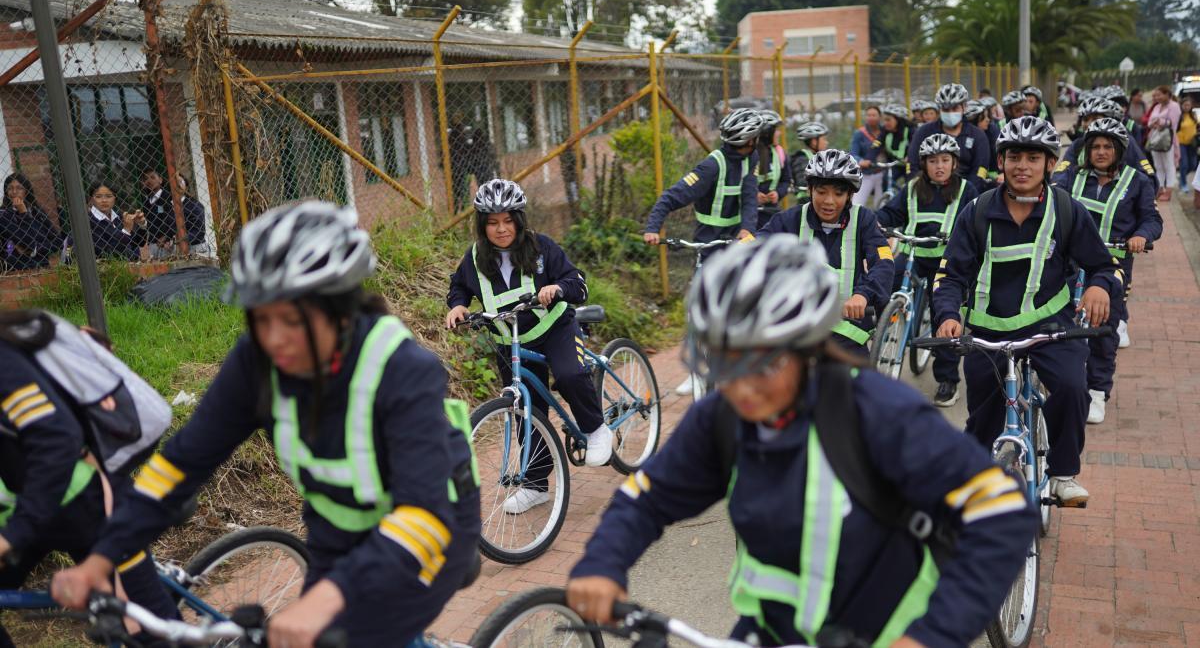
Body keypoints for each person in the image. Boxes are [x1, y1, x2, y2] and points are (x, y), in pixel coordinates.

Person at [565, 237, 1038, 648]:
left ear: (806, 348)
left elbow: (1002, 514)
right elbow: (647, 498)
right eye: (724, 361)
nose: (741, 385)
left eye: (763, 363)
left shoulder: (878, 412)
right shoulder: (721, 419)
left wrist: (932, 636)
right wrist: (602, 563)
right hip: (773, 633)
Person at [52, 201, 482, 648]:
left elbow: (423, 515)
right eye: (260, 319)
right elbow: (180, 466)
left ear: (340, 311)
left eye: (292, 321)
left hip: (427, 532)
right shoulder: (257, 363)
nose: (273, 338)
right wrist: (101, 557)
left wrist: (324, 601)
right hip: (339, 530)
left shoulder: (403, 370)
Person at [933, 117, 1124, 507]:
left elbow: (1104, 265)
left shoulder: (1067, 211)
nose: (1023, 165)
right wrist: (947, 315)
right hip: (987, 332)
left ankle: (1062, 474)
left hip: (1051, 328)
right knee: (982, 423)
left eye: (1033, 157)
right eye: (1014, 156)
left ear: (1050, 164)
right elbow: (950, 273)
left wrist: (1099, 286)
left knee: (1072, 388)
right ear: (1001, 161)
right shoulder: (977, 211)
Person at [0, 312, 180, 648]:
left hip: (89, 499)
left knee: (152, 633)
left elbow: (57, 439)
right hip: (32, 503)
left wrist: (13, 536)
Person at [447, 178, 611, 494]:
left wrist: (558, 287)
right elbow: (459, 286)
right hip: (510, 342)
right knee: (526, 413)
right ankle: (535, 486)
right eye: (492, 222)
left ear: (519, 220)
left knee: (571, 375)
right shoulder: (475, 258)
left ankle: (596, 429)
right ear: (482, 225)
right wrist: (457, 306)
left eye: (508, 220)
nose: (501, 228)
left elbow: (578, 282)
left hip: (554, 330)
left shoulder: (542, 247)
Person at [1051, 119, 1160, 423]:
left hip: (1112, 266)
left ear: (1119, 150)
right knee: (1057, 319)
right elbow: (1051, 203)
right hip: (1069, 263)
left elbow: (1152, 219)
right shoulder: (1072, 176)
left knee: (1103, 328)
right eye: (1095, 146)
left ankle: (1097, 391)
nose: (1100, 152)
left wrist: (1142, 235)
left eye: (1107, 146)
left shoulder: (1137, 181)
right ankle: (1061, 380)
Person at [757, 149, 893, 358]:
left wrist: (863, 294)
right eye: (821, 192)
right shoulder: (791, 219)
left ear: (849, 195)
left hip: (847, 332)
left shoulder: (864, 220)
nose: (829, 201)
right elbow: (757, 246)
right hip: (799, 328)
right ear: (810, 190)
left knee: (855, 387)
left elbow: (883, 261)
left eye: (838, 193)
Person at [877, 134, 978, 406]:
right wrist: (876, 223)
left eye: (945, 160)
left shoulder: (967, 190)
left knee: (942, 317)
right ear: (924, 164)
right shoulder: (912, 188)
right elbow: (889, 213)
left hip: (947, 263)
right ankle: (880, 327)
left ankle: (947, 380)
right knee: (883, 279)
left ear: (954, 163)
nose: (939, 166)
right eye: (933, 161)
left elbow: (977, 221)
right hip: (914, 255)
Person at [644, 108, 761, 248]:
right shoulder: (711, 167)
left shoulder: (751, 159)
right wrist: (652, 229)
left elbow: (750, 197)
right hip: (708, 241)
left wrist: (747, 229)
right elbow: (671, 196)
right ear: (749, 141)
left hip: (736, 241)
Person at [908, 83, 992, 194]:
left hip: (965, 192)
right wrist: (920, 188)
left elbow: (980, 169)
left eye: (955, 108)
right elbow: (912, 163)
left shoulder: (977, 135)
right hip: (929, 191)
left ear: (964, 107)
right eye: (946, 109)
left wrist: (966, 193)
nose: (950, 113)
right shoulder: (924, 132)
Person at [1052, 97, 1155, 183]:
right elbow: (1062, 171)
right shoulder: (1078, 144)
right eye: (1085, 119)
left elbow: (1148, 175)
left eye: (1095, 118)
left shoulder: (1127, 142)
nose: (1089, 124)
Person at [0, 174, 56, 271]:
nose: (14, 192)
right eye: (10, 188)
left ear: (26, 191)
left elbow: (56, 241)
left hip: (42, 266)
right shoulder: (3, 215)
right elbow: (27, 241)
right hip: (18, 270)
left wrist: (35, 249)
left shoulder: (37, 212)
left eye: (19, 188)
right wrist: (23, 213)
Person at [86, 182, 145, 261]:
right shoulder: (89, 221)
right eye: (98, 197)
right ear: (91, 199)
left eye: (109, 196)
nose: (104, 200)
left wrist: (141, 225)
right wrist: (126, 230)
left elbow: (139, 242)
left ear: (115, 198)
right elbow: (107, 253)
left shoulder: (119, 217)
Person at [754, 110, 791, 229]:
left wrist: (778, 193)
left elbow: (786, 181)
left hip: (771, 213)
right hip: (749, 215)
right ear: (766, 132)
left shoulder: (779, 153)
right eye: (776, 130)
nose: (779, 133)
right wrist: (753, 195)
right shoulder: (749, 154)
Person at [1145, 85, 1182, 202]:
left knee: (1169, 165)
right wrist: (1156, 123)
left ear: (1167, 94)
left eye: (1159, 94)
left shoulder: (1174, 106)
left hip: (1167, 140)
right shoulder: (1156, 107)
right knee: (1158, 166)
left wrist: (1159, 121)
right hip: (1155, 139)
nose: (1157, 97)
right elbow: (1149, 122)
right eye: (1156, 95)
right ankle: (1160, 188)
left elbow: (1173, 123)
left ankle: (1169, 191)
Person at [849, 105, 885, 208]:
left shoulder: (886, 131)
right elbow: (853, 153)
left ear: (880, 117)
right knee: (856, 205)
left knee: (882, 205)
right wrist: (860, 161)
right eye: (868, 115)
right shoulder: (859, 133)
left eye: (874, 115)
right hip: (867, 173)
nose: (871, 117)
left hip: (884, 173)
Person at [789, 121, 829, 205]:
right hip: (806, 202)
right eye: (824, 139)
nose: (826, 142)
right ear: (814, 141)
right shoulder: (802, 158)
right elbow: (802, 182)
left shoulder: (820, 157)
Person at [174, 175, 209, 255]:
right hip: (174, 249)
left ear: (186, 186)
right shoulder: (168, 205)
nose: (177, 184)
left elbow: (200, 231)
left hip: (196, 248)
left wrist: (183, 239)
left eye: (180, 181)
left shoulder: (194, 205)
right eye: (174, 182)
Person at [879, 103, 915, 177]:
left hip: (909, 164)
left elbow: (915, 146)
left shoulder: (911, 131)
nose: (885, 123)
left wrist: (910, 156)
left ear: (898, 120)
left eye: (888, 120)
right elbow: (876, 144)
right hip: (894, 163)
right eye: (884, 120)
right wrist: (868, 159)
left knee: (910, 182)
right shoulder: (884, 131)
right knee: (886, 180)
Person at [1178, 97, 1197, 204]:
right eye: (1185, 105)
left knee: (1193, 165)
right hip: (1181, 144)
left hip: (1192, 144)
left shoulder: (1193, 116)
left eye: (1188, 105)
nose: (1186, 107)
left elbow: (1197, 127)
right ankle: (1183, 183)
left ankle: (1182, 176)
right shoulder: (1179, 116)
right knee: (1184, 164)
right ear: (1181, 105)